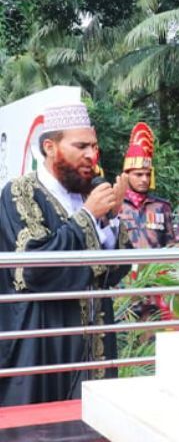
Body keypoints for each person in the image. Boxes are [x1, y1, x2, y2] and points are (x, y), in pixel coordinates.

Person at [0, 102, 130, 405]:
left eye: (94, 146)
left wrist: (109, 218)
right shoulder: (19, 193)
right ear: (50, 147)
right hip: (45, 345)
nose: (91, 155)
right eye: (80, 146)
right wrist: (87, 216)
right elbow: (33, 269)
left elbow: (114, 271)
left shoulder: (87, 194)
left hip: (94, 343)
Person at [118, 122, 173, 249]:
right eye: (138, 175)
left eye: (148, 175)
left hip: (156, 267)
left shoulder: (162, 206)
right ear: (127, 175)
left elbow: (171, 245)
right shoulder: (115, 205)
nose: (144, 179)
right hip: (125, 267)